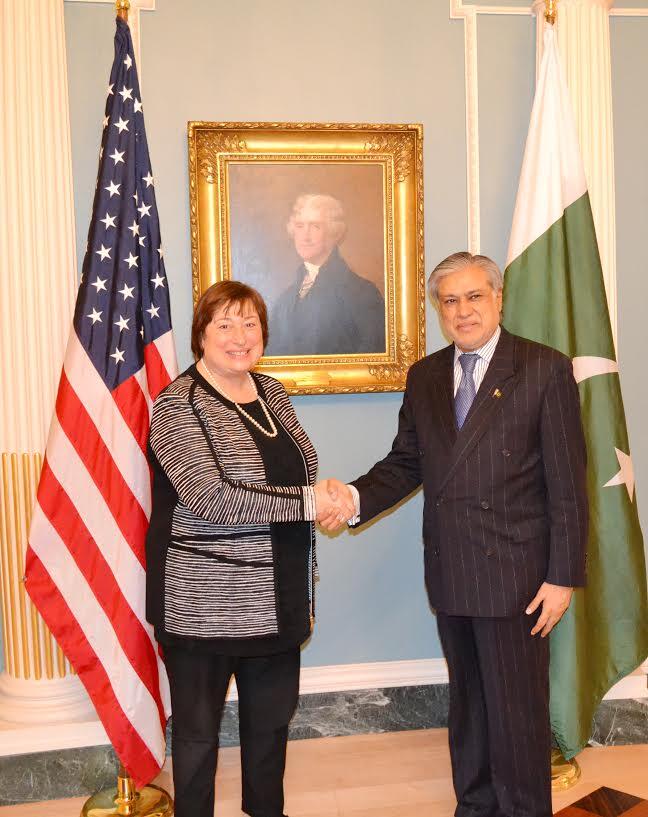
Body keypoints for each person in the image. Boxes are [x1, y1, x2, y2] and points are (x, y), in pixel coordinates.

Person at [321, 252, 588, 817]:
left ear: (498, 298)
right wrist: (353, 500)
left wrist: (562, 576)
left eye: (474, 297)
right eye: (450, 301)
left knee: (516, 716)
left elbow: (568, 486)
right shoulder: (425, 376)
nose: (463, 311)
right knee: (468, 708)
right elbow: (405, 464)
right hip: (451, 571)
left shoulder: (543, 369)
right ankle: (475, 807)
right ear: (437, 309)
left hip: (519, 578)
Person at [145, 280, 353, 817]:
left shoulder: (273, 393)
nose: (240, 337)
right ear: (201, 336)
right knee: (196, 740)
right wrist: (313, 500)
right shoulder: (176, 405)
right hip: (203, 606)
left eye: (251, 324)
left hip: (278, 598)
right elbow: (211, 498)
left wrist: (323, 494)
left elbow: (294, 476)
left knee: (270, 729)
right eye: (225, 325)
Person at [264, 193, 386, 356]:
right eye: (300, 226)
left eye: (315, 226)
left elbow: (372, 357)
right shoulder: (284, 301)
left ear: (334, 233)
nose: (305, 236)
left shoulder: (363, 293)